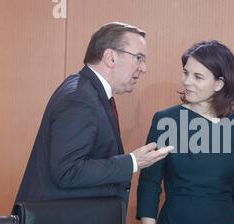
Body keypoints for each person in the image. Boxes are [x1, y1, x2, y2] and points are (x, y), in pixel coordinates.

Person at [14, 22, 173, 212]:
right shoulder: (79, 97)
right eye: (138, 58)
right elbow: (68, 171)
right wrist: (132, 162)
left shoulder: (88, 91)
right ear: (110, 57)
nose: (143, 68)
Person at [137, 40, 234, 224]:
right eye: (185, 73)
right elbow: (149, 182)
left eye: (197, 77)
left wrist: (218, 210)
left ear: (219, 84)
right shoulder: (165, 120)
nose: (186, 81)